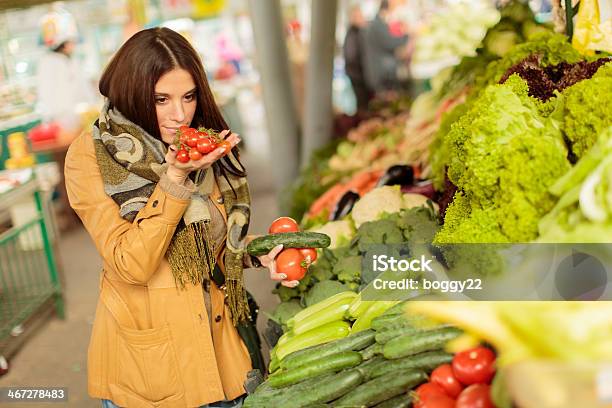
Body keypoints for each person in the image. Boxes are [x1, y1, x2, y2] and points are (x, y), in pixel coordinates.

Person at [64, 27, 298, 408]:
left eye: (189, 96)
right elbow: (130, 264)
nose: (179, 114)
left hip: (227, 359)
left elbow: (211, 247)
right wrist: (174, 179)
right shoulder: (91, 156)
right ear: (133, 92)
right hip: (153, 374)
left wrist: (260, 252)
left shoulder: (199, 145)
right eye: (161, 99)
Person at [36, 7, 96, 133]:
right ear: (62, 43)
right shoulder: (48, 63)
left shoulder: (73, 60)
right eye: (70, 42)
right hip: (60, 121)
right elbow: (46, 93)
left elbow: (83, 87)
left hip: (82, 120)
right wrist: (50, 118)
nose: (73, 45)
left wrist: (92, 106)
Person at [361, 0, 410, 93]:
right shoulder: (378, 25)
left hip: (380, 72)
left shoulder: (377, 24)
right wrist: (407, 36)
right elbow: (390, 42)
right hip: (381, 73)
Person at [343, 5, 372, 111]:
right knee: (362, 105)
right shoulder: (353, 34)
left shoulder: (357, 33)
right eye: (359, 16)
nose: (362, 18)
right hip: (358, 76)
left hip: (358, 75)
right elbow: (352, 56)